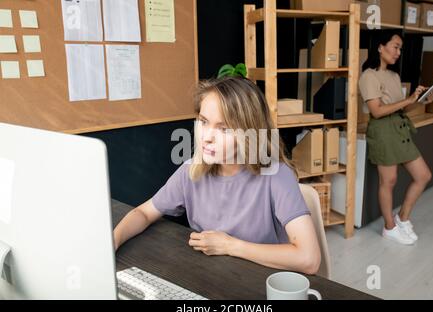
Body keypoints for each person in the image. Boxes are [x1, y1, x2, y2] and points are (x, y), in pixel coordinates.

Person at [113, 76, 321, 274]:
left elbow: (309, 259)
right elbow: (144, 213)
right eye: (203, 122)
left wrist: (231, 246)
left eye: (224, 129)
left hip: (259, 282)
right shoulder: (191, 170)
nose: (206, 137)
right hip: (210, 276)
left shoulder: (276, 176)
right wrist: (113, 240)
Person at [359, 30, 433, 245]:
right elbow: (377, 111)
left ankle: (402, 218)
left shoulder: (393, 76)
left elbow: (402, 109)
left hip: (399, 129)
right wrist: (407, 99)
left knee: (423, 175)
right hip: (382, 131)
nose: (398, 52)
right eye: (395, 46)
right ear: (380, 47)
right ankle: (389, 227)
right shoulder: (368, 76)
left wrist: (420, 101)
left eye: (400, 48)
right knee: (389, 181)